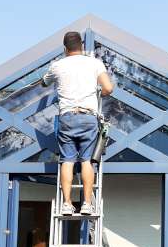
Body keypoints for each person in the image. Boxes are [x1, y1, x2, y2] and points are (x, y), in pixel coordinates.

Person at [41, 31, 114, 215]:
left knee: (67, 161)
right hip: (88, 117)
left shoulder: (57, 66)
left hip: (67, 118)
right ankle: (87, 204)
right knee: (87, 161)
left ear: (65, 48)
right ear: (82, 46)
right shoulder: (94, 63)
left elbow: (44, 82)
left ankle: (66, 203)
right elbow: (108, 88)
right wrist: (100, 94)